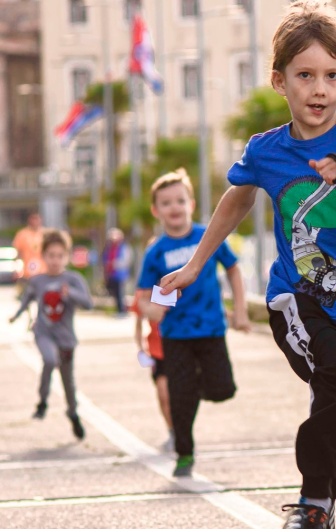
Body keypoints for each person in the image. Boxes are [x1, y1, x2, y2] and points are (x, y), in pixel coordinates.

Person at [159, 0, 336, 529]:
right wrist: (196, 263)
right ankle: (312, 507)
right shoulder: (268, 150)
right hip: (297, 299)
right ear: (280, 81)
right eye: (305, 75)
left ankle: (332, 461)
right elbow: (235, 200)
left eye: (332, 76)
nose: (319, 88)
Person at [138, 168, 248, 477]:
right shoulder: (155, 252)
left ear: (192, 204)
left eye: (179, 200)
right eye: (166, 203)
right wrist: (151, 310)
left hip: (212, 328)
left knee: (223, 389)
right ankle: (184, 454)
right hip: (176, 335)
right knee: (179, 401)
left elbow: (234, 269)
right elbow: (143, 298)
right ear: (156, 210)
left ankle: (189, 387)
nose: (174, 207)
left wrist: (239, 311)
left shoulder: (206, 237)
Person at [10, 229, 92, 440]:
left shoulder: (73, 279)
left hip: (66, 337)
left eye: (60, 256)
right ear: (44, 256)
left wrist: (70, 294)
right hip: (44, 332)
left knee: (68, 382)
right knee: (49, 359)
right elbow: (26, 300)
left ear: (67, 256)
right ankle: (42, 401)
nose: (55, 260)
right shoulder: (37, 281)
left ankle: (73, 413)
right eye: (51, 255)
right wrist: (16, 316)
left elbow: (88, 303)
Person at [132, 273, 173, 451]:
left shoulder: (175, 285)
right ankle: (173, 432)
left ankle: (183, 430)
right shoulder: (145, 292)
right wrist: (141, 348)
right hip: (157, 351)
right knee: (164, 395)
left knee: (181, 395)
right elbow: (138, 322)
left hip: (178, 346)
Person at [103, 228, 134, 315]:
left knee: (120, 293)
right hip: (111, 274)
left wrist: (114, 264)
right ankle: (119, 309)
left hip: (121, 274)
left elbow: (126, 260)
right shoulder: (109, 248)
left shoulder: (124, 247)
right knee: (114, 292)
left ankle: (122, 310)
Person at [13, 212, 45, 282]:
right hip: (27, 273)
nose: (35, 221)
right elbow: (18, 253)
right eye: (33, 219)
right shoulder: (22, 234)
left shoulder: (45, 234)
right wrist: (16, 268)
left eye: (37, 219)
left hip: (43, 272)